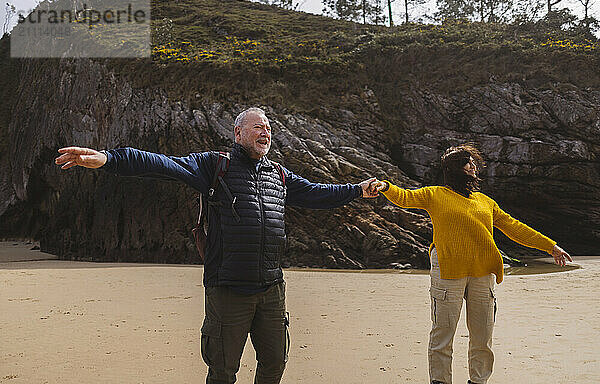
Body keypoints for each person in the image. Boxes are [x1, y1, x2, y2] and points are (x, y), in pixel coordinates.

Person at [55, 107, 379, 384]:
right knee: (223, 370)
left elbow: (317, 193)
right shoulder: (215, 166)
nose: (265, 132)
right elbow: (163, 165)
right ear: (238, 133)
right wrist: (111, 158)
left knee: (275, 363)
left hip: (271, 290)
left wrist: (356, 190)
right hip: (228, 289)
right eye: (257, 127)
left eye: (268, 128)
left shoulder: (278, 175)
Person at [371, 143, 572, 384]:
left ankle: (478, 381)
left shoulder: (485, 201)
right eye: (468, 162)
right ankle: (440, 381)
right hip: (448, 270)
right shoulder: (434, 195)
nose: (473, 166)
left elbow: (514, 228)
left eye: (473, 162)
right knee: (443, 334)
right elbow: (405, 197)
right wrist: (385, 186)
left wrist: (550, 246)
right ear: (454, 168)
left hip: (483, 272)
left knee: (482, 337)